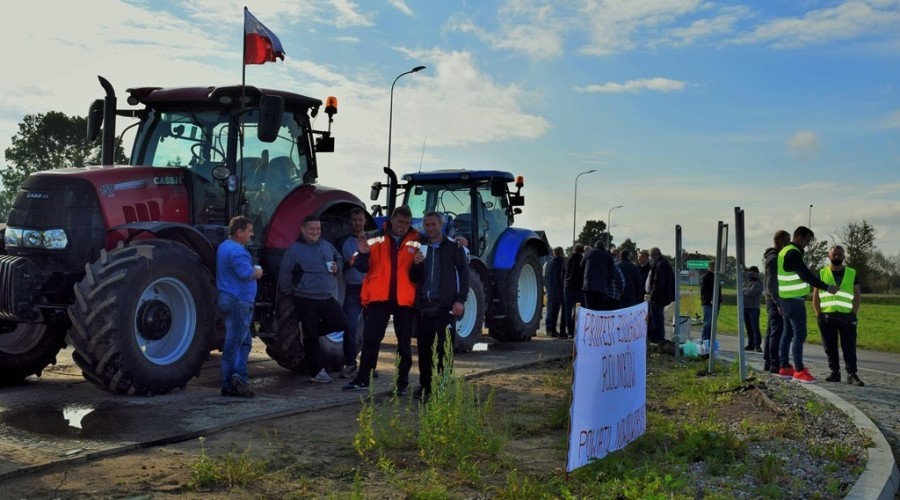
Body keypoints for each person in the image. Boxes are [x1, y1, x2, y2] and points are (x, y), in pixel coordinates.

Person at [342, 206, 419, 394]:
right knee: (371, 340)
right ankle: (363, 379)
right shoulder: (374, 238)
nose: (403, 226)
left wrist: (459, 241)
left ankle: (401, 384)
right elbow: (359, 266)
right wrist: (363, 254)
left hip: (404, 300)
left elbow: (434, 250)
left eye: (407, 223)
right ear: (391, 220)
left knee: (404, 344)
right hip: (379, 298)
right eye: (400, 222)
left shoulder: (417, 240)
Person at [277, 215, 348, 384]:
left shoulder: (326, 246)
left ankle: (310, 333)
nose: (315, 232)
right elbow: (285, 272)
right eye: (312, 229)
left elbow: (339, 260)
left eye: (318, 229)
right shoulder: (294, 250)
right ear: (303, 230)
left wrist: (338, 268)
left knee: (341, 323)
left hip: (326, 295)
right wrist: (288, 292)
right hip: (305, 297)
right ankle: (317, 372)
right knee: (311, 337)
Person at [409, 212, 469, 401]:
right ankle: (425, 385)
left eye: (434, 224)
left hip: (445, 307)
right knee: (424, 349)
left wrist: (461, 300)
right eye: (427, 225)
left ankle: (442, 385)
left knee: (445, 349)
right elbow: (413, 278)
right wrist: (416, 264)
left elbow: (465, 275)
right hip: (424, 307)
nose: (430, 228)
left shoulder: (454, 247)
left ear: (441, 224)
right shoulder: (421, 248)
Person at [777, 226, 840, 384]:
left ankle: (784, 367)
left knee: (787, 333)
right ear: (799, 237)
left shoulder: (784, 251)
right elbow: (805, 275)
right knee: (799, 335)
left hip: (785, 298)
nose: (807, 244)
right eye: (806, 240)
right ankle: (799, 370)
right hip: (795, 300)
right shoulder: (793, 253)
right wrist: (827, 287)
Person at [217, 216, 263, 397]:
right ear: (239, 232)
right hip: (239, 301)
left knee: (243, 342)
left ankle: (237, 377)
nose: (252, 234)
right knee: (235, 343)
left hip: (226, 298)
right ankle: (232, 381)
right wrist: (257, 273)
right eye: (249, 231)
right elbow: (245, 274)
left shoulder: (223, 247)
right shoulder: (238, 252)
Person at [813, 245, 864, 386]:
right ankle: (834, 372)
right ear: (829, 256)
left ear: (843, 256)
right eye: (834, 254)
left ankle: (851, 374)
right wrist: (818, 314)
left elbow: (857, 294)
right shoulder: (822, 273)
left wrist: (854, 313)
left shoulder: (852, 273)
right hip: (827, 316)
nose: (837, 257)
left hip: (847, 317)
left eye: (839, 254)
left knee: (849, 346)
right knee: (829, 346)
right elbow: (816, 295)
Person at [336, 208, 368, 379]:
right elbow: (338, 265)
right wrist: (349, 263)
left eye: (360, 219)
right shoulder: (342, 241)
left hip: (371, 289)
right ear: (349, 222)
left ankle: (369, 365)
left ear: (364, 221)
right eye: (354, 220)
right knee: (350, 327)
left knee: (372, 329)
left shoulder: (373, 239)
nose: (357, 223)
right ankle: (350, 363)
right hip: (353, 288)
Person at [763, 230, 790, 373]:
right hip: (774, 299)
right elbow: (772, 284)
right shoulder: (774, 259)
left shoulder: (772, 256)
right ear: (781, 241)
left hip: (771, 298)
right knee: (776, 331)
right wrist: (779, 303)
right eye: (788, 240)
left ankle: (768, 361)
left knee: (771, 331)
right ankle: (774, 363)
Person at [646, 247, 675, 343]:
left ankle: (658, 338)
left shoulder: (660, 265)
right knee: (657, 316)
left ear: (654, 255)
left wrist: (652, 295)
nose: (650, 258)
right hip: (662, 296)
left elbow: (658, 282)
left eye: (650, 256)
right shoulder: (662, 263)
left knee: (657, 317)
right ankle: (658, 337)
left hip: (659, 297)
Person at [582, 239, 615, 310]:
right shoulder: (608, 256)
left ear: (595, 246)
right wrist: (608, 285)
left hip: (588, 286)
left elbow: (581, 265)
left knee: (589, 310)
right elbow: (612, 272)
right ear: (603, 247)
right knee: (599, 310)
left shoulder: (589, 253)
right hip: (602, 288)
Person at [561, 243, 586, 339]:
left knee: (567, 310)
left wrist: (564, 283)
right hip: (579, 287)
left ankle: (569, 330)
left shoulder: (566, 259)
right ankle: (576, 328)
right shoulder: (582, 260)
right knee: (579, 310)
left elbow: (562, 272)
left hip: (567, 287)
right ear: (582, 251)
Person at [543, 246, 566, 337]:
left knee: (551, 311)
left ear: (554, 253)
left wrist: (548, 288)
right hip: (563, 289)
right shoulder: (565, 262)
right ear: (562, 252)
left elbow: (545, 276)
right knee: (563, 311)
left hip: (552, 290)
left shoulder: (548, 263)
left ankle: (550, 330)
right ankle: (562, 331)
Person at [700, 261, 722, 342]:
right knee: (707, 323)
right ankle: (704, 340)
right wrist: (710, 299)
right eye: (714, 266)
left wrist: (720, 299)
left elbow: (718, 290)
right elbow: (703, 291)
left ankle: (710, 340)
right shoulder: (705, 277)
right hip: (708, 303)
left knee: (713, 324)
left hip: (717, 303)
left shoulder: (716, 276)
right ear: (710, 267)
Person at [742, 266, 763, 352]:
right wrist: (745, 290)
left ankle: (757, 345)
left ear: (755, 273)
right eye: (748, 272)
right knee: (748, 327)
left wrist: (744, 290)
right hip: (745, 307)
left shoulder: (758, 283)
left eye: (750, 271)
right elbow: (740, 289)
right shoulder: (746, 282)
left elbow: (750, 292)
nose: (748, 273)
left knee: (755, 327)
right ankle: (750, 344)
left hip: (754, 308)